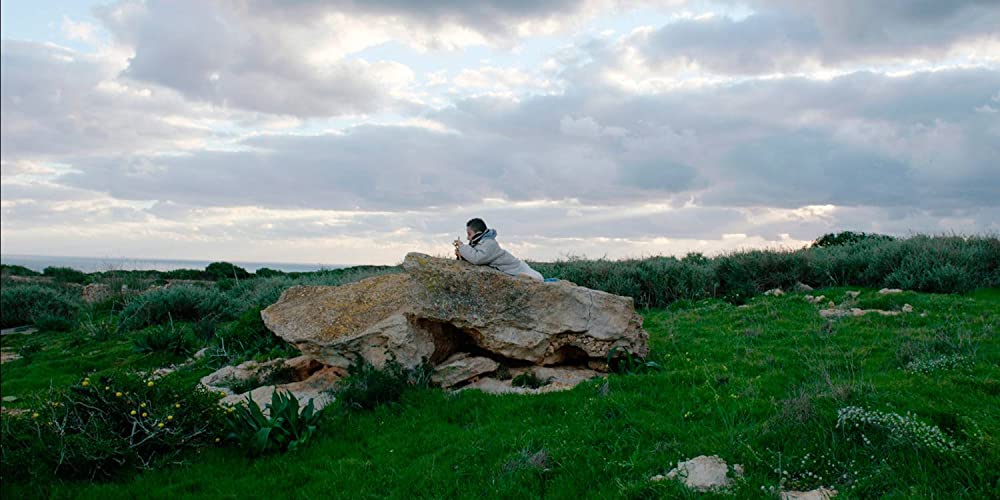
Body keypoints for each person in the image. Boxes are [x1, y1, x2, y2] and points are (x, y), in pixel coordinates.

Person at [453, 218, 544, 281]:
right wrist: (461, 254)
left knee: (537, 279)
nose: (468, 238)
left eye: (469, 234)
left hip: (517, 268)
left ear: (478, 233)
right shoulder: (481, 242)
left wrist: (462, 247)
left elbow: (478, 258)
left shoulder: (490, 243)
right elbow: (474, 254)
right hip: (512, 269)